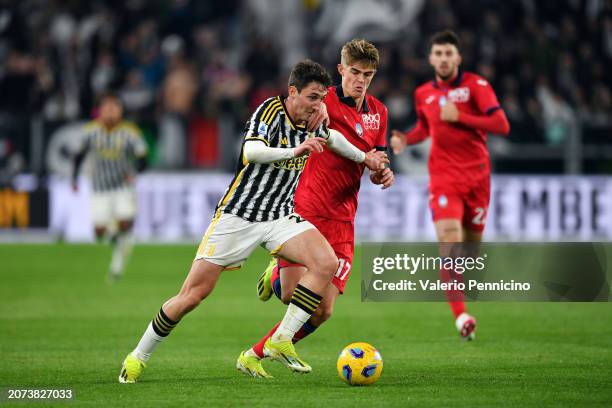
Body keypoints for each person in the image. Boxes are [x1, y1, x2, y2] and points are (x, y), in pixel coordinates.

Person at [118, 59, 388, 383]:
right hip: (239, 215)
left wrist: (365, 157)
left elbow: (332, 139)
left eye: (321, 98)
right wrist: (295, 151)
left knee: (325, 263)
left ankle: (281, 339)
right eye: (313, 97)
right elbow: (251, 151)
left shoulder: (314, 117)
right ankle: (138, 356)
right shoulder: (270, 112)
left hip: (280, 216)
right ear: (293, 92)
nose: (319, 104)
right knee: (192, 295)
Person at [237, 39, 394, 379]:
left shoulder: (379, 113)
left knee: (321, 312)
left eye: (367, 74)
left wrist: (383, 170)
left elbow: (376, 157)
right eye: (354, 72)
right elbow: (293, 115)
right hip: (306, 207)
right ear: (341, 70)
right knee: (293, 294)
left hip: (343, 217)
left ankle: (254, 354)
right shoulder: (322, 101)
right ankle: (277, 276)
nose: (360, 80)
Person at [390, 30, 510, 340]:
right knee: (450, 244)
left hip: (478, 179)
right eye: (438, 54)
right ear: (430, 59)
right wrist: (406, 138)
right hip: (444, 180)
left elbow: (501, 124)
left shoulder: (476, 86)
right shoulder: (423, 94)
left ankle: (459, 296)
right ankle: (461, 317)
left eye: (448, 54)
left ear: (458, 57)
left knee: (469, 253)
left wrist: (462, 117)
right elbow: (426, 129)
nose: (443, 59)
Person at [72, 92, 148, 281]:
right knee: (99, 232)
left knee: (125, 221)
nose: (111, 113)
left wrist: (135, 172)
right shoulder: (90, 131)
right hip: (99, 188)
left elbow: (143, 158)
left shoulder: (130, 132)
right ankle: (116, 237)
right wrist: (73, 178)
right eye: (107, 108)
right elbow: (78, 155)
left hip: (122, 187)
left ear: (120, 111)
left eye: (114, 108)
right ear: (100, 111)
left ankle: (116, 268)